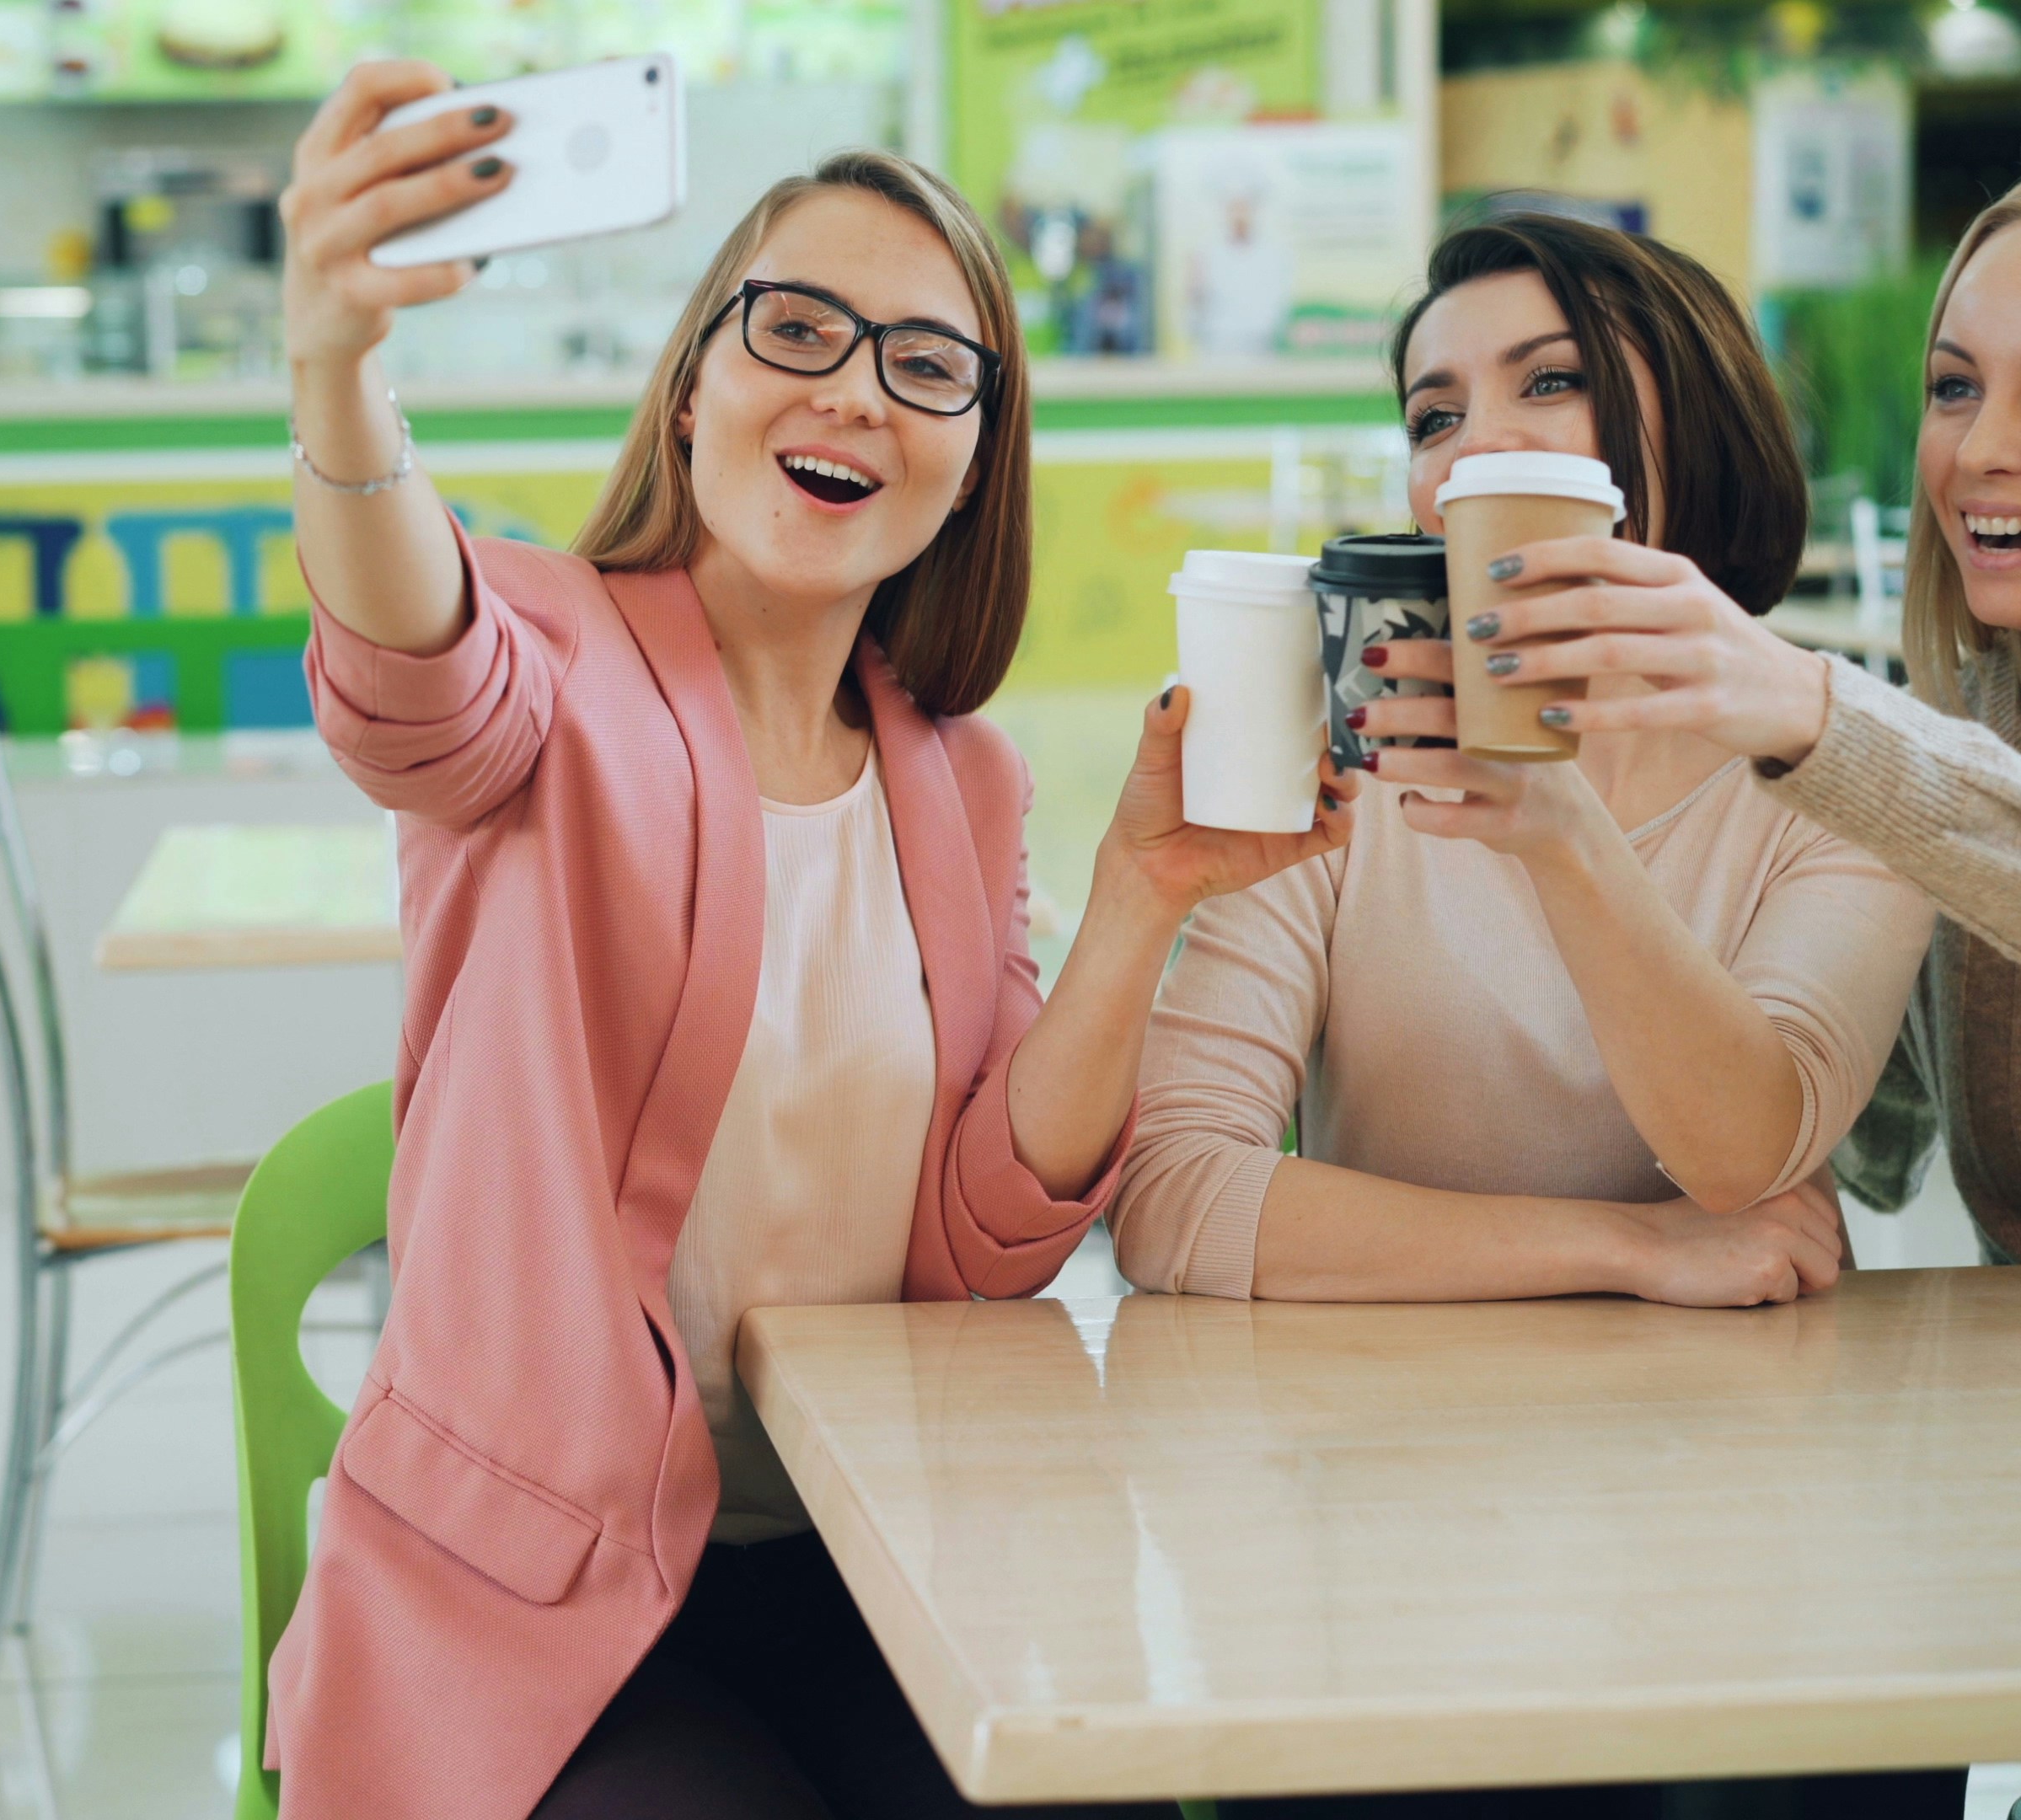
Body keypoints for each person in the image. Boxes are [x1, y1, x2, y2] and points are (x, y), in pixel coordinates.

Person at [261, 62, 1350, 1820]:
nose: (856, 390)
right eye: (797, 329)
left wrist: (1141, 896)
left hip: (884, 1559)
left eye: (928, 364)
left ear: (974, 457)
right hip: (552, 1606)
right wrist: (335, 361)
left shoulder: (957, 779)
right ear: (693, 384)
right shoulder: (545, 657)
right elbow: (413, 679)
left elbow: (987, 1232)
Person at [1450, 147, 2021, 1820]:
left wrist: (1813, 723)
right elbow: (1847, 1140)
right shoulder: (1954, 739)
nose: (1980, 450)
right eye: (1954, 386)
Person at [1112, 213, 1936, 1315]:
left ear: (1695, 419)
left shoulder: (1846, 764)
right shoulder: (1345, 752)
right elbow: (1172, 1194)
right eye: (1435, 416)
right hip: (1390, 1436)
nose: (1474, 448)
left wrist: (1559, 825)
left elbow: (1745, 1153)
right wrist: (1633, 1250)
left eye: (1550, 382)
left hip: (1735, 1449)